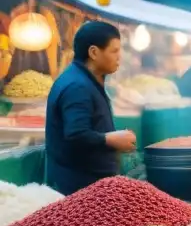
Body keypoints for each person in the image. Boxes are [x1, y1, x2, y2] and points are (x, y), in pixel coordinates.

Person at [45, 22, 136, 195]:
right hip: (80, 190)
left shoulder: (85, 80)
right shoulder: (77, 87)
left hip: (93, 186)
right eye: (114, 51)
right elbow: (76, 134)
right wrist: (111, 139)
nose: (119, 57)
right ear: (94, 52)